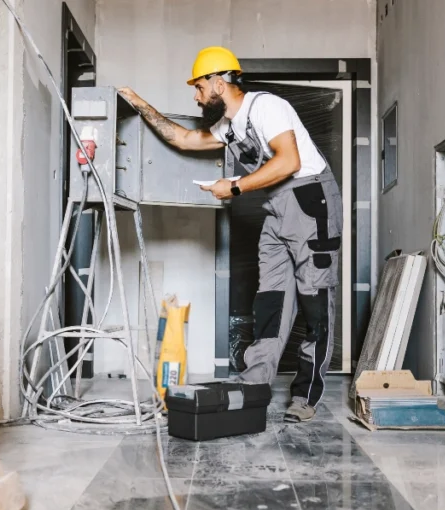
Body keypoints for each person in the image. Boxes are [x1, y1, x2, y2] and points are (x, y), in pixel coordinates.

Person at [118, 46, 342, 424]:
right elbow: (184, 139)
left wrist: (235, 187)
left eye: (199, 87)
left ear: (219, 83)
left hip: (310, 201)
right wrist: (140, 103)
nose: (196, 96)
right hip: (275, 208)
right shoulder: (226, 126)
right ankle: (255, 384)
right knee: (270, 300)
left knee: (315, 302)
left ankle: (305, 396)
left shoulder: (266, 107)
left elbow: (290, 161)